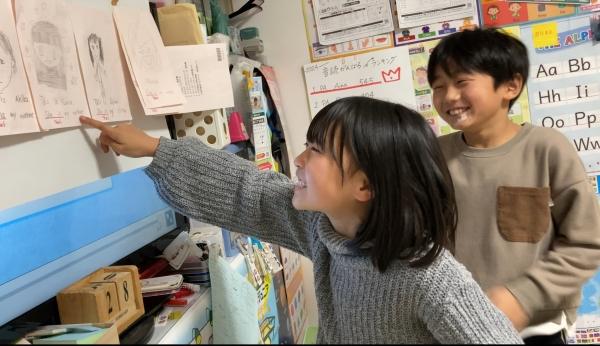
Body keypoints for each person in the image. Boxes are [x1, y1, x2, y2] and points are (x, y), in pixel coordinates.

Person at [80, 97, 523, 344]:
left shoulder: (433, 280)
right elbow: (245, 193)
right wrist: (156, 149)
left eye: (316, 150)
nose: (298, 158)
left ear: (365, 186)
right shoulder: (325, 230)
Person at [427, 28, 600, 344]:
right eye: (438, 87)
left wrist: (522, 296)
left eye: (462, 82)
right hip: (459, 329)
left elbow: (586, 245)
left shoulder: (547, 149)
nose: (448, 96)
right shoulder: (433, 156)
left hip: (536, 330)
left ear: (511, 85)